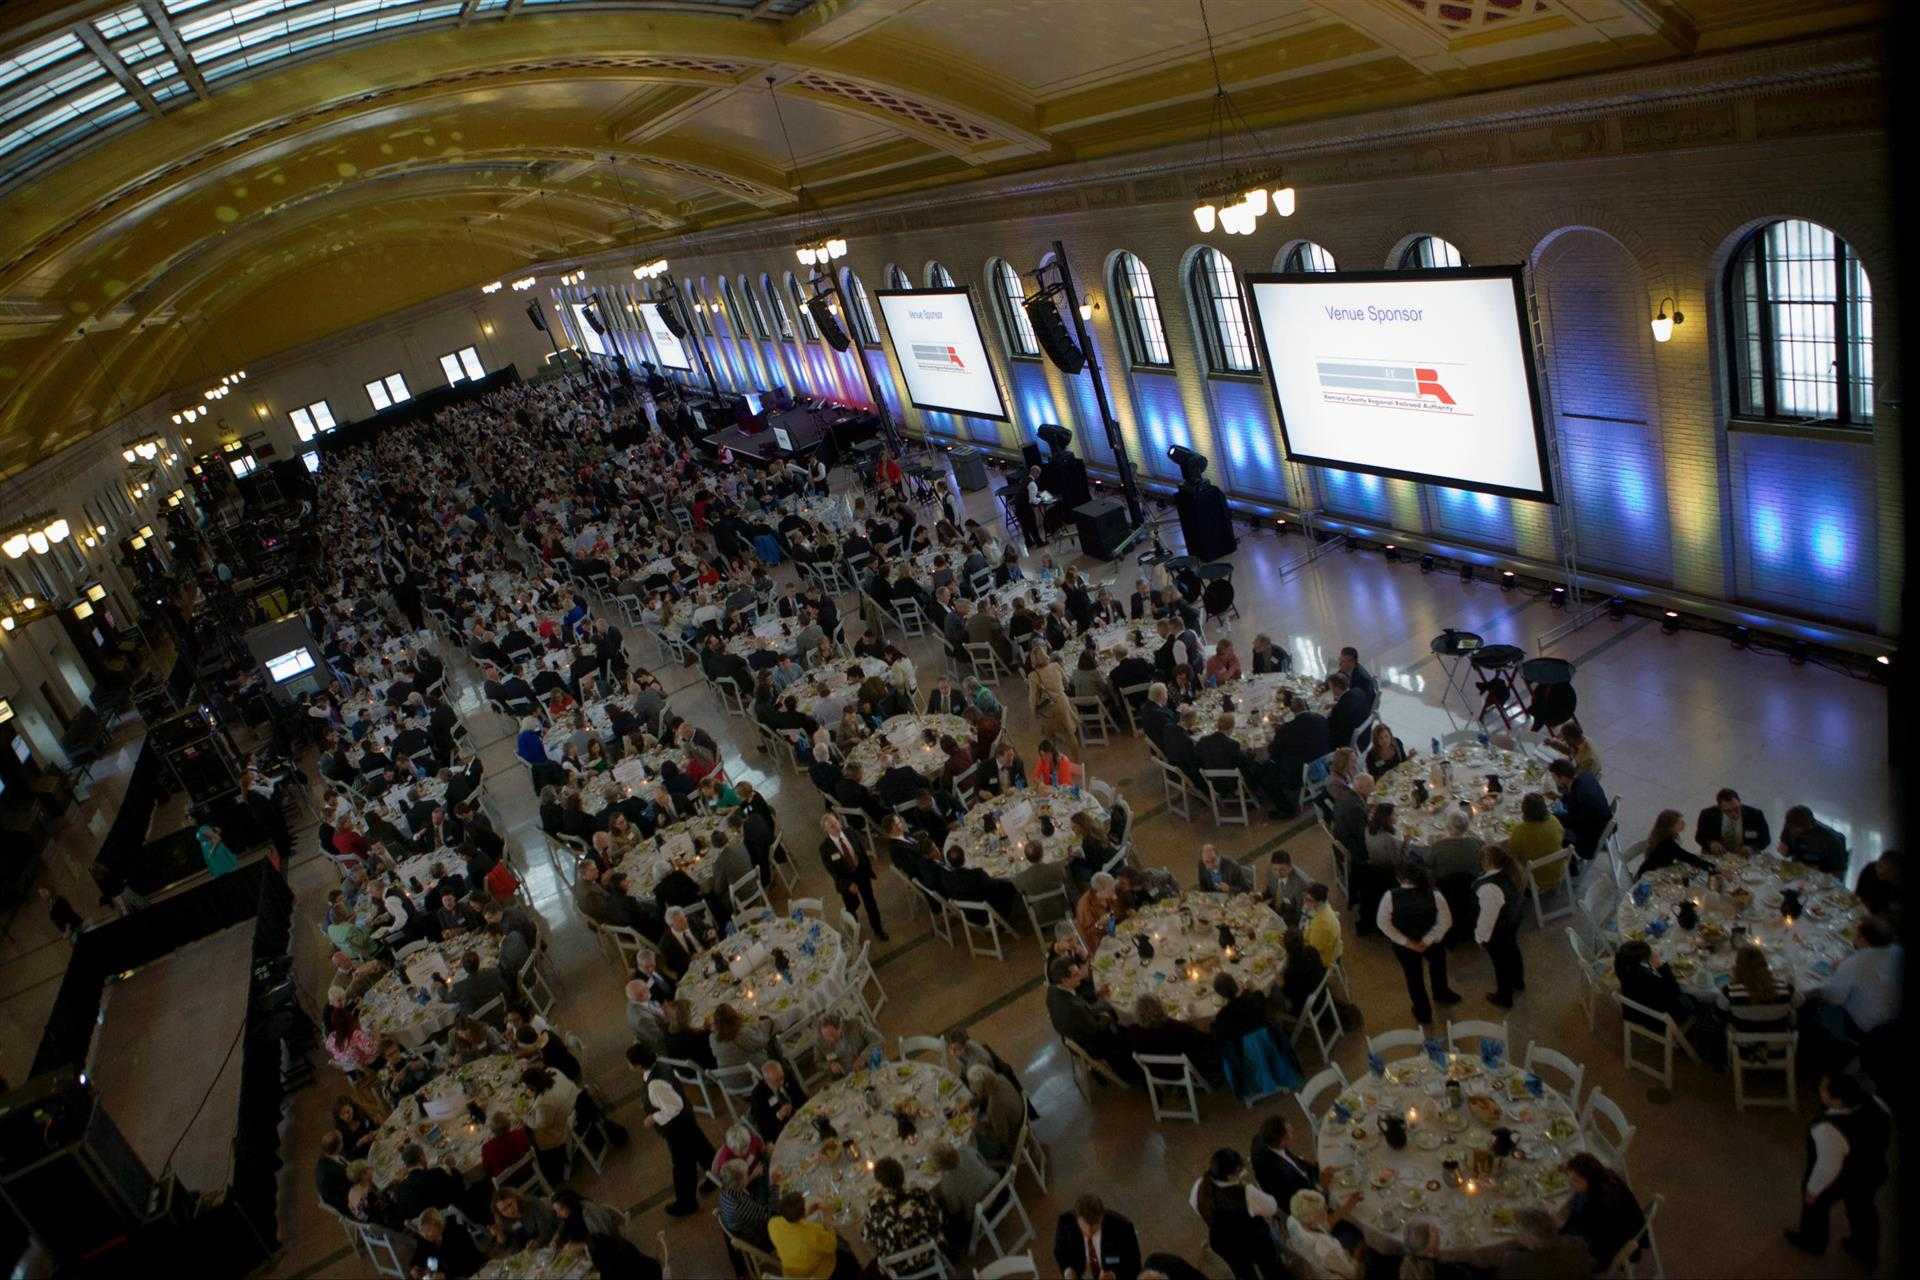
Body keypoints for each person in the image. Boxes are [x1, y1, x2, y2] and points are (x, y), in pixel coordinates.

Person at [1784, 1072, 1890, 1265]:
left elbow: (1828, 1167)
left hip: (1843, 1175)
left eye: (1824, 1089)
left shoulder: (1827, 1128)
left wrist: (1812, 1190)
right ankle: (1865, 1250)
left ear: (1837, 1100)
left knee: (1815, 1206)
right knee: (1862, 1210)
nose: (1820, 1089)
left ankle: (1812, 1242)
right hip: (1872, 1170)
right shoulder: (1875, 1103)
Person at [629, 1042, 716, 1218]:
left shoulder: (655, 1085)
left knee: (682, 1166)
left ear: (638, 1065)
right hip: (686, 1119)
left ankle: (687, 1203)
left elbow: (674, 1107)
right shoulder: (660, 1066)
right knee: (701, 1148)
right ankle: (716, 1175)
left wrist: (652, 1117)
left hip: (677, 1128)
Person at [1611, 939, 1724, 1067]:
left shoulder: (1624, 971)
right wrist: (1660, 966)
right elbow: (1674, 992)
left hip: (1635, 1013)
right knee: (1696, 1000)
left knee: (1688, 995)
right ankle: (1705, 1040)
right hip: (1659, 1020)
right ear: (1642, 962)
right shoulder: (1647, 979)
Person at [1377, 862, 1458, 1025]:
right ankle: (1441, 993)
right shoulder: (1435, 894)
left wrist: (1407, 942)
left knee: (1413, 977)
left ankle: (1423, 1012)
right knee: (1438, 967)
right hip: (1433, 942)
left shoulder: (1390, 896)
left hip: (1405, 946)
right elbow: (1446, 921)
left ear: (1399, 878)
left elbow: (1383, 923)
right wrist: (1427, 940)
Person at [1189, 1148, 1284, 1280]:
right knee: (1270, 1265)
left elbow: (1197, 1208)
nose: (1243, 1172)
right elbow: (1272, 1207)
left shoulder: (1199, 1185)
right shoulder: (1246, 1193)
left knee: (1243, 1272)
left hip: (1223, 1243)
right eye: (1239, 1170)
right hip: (1252, 1239)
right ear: (1229, 1176)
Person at [1046, 954, 1133, 1081]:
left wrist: (1097, 995)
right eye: (1075, 975)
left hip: (1079, 1027)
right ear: (1064, 980)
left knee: (1106, 1006)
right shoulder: (1072, 1009)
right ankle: (1131, 1070)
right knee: (1124, 1027)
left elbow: (1080, 1003)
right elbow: (1096, 1029)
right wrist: (1108, 1016)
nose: (1080, 976)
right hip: (1094, 1044)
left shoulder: (1053, 990)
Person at [1559, 1152, 1644, 1270]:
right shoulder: (1608, 1176)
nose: (1570, 1183)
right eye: (1570, 1177)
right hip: (1626, 1231)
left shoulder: (1598, 1204)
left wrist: (1560, 1230)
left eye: (1576, 1180)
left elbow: (1587, 1233)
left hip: (1608, 1252)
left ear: (1590, 1179)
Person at [817, 813, 888, 941]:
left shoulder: (850, 832)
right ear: (826, 830)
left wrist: (867, 867)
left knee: (870, 903)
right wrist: (848, 884)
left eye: (836, 823)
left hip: (861, 874)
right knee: (851, 906)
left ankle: (878, 930)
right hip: (846, 880)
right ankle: (855, 928)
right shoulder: (825, 849)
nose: (836, 827)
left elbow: (861, 850)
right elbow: (833, 872)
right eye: (832, 826)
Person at [1473, 845, 1528, 1008]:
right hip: (1513, 919)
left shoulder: (1489, 887)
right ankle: (1518, 981)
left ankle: (1505, 997)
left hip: (1499, 929)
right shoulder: (1511, 873)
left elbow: (1487, 918)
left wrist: (1480, 937)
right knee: (1513, 950)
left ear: (1486, 863)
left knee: (1500, 963)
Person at [863, 1157, 944, 1257]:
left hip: (899, 1265)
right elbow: (938, 1217)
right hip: (931, 1250)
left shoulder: (874, 1209)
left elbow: (868, 1241)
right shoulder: (918, 1194)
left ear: (881, 1184)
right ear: (903, 1176)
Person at [929, 1140, 998, 1256]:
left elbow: (955, 1210)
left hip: (982, 1212)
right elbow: (984, 1163)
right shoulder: (966, 1150)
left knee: (946, 1214)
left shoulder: (948, 1183)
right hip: (999, 1189)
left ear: (938, 1166)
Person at [1053, 1193, 1142, 1280]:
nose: (1089, 1231)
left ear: (1102, 1217)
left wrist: (1114, 1274)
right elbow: (1060, 1252)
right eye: (1085, 1226)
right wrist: (1068, 1271)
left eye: (1095, 1225)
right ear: (1077, 1218)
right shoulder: (1065, 1222)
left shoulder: (1123, 1227)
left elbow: (1134, 1262)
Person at [1285, 1190, 1363, 1279]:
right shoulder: (1326, 1249)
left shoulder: (1293, 1219)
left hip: (1314, 1264)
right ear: (1314, 1220)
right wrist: (1358, 1254)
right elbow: (1351, 1273)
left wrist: (1349, 1204)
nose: (1326, 1207)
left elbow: (1326, 1225)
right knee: (1361, 1241)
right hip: (1330, 1275)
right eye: (1323, 1209)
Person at [1249, 1114, 1319, 1213]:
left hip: (1288, 1181)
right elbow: (1303, 1195)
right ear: (1282, 1142)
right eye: (1289, 1132)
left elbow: (1292, 1158)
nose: (1293, 1130)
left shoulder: (1260, 1138)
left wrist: (1309, 1164)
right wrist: (1322, 1184)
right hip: (1297, 1201)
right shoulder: (1282, 1172)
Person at [767, 1192, 842, 1280]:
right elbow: (832, 1245)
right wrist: (827, 1215)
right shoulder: (812, 1233)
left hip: (792, 1275)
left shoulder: (773, 1223)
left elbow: (794, 1228)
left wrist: (803, 1215)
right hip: (818, 1274)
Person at [1633, 809, 1714, 880]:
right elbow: (1687, 857)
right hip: (1649, 878)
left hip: (1654, 873)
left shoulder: (1662, 838)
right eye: (1680, 822)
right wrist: (1710, 867)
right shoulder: (1667, 844)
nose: (1684, 823)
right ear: (1670, 827)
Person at [408, 1207, 486, 1279]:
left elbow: (467, 1264)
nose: (426, 1235)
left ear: (437, 1224)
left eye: (428, 1230)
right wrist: (414, 1269)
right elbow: (417, 1259)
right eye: (423, 1232)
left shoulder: (457, 1233)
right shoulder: (427, 1241)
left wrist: (444, 1275)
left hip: (476, 1273)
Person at [1695, 787, 1770, 856]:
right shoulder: (1707, 814)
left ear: (1740, 802)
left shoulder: (1755, 815)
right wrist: (1711, 843)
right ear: (1720, 808)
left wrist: (1751, 848)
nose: (1734, 814)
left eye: (1736, 808)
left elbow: (1765, 840)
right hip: (1717, 857)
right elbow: (1699, 837)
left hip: (1747, 858)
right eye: (1728, 811)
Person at [1777, 805, 1850, 875]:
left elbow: (1838, 870)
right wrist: (1785, 850)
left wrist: (1815, 869)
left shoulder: (1830, 840)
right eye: (1790, 827)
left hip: (1821, 873)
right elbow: (1787, 849)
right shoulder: (1791, 826)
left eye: (1796, 829)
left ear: (1809, 826)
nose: (1792, 832)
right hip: (1799, 871)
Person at [750, 1058, 807, 1141]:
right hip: (781, 1131)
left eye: (782, 1078)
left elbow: (802, 1098)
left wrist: (794, 1106)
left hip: (800, 1118)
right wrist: (778, 1115)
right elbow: (764, 1128)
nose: (781, 1082)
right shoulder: (758, 1095)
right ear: (766, 1081)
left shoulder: (787, 1076)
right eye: (776, 1081)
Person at [1505, 793, 1565, 865]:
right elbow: (1562, 835)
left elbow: (1512, 851)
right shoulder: (1553, 820)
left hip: (1535, 873)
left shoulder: (1520, 830)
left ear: (1524, 810)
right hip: (1558, 867)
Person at [479, 1111, 534, 1182]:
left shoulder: (487, 1148)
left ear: (492, 1129)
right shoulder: (519, 1134)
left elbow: (488, 1171)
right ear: (508, 1124)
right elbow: (529, 1149)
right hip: (529, 1172)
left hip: (507, 1184)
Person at [1853, 848, 1899, 919]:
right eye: (1880, 866)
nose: (1881, 872)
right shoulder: (1870, 869)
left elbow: (1892, 912)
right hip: (1865, 911)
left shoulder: (1896, 884)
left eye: (1888, 870)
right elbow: (1859, 894)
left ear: (1896, 872)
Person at [315, 1131, 352, 1213]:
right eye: (341, 1141)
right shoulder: (335, 1170)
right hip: (344, 1200)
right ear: (338, 1147)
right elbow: (350, 1180)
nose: (343, 1142)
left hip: (339, 1190)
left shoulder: (325, 1157)